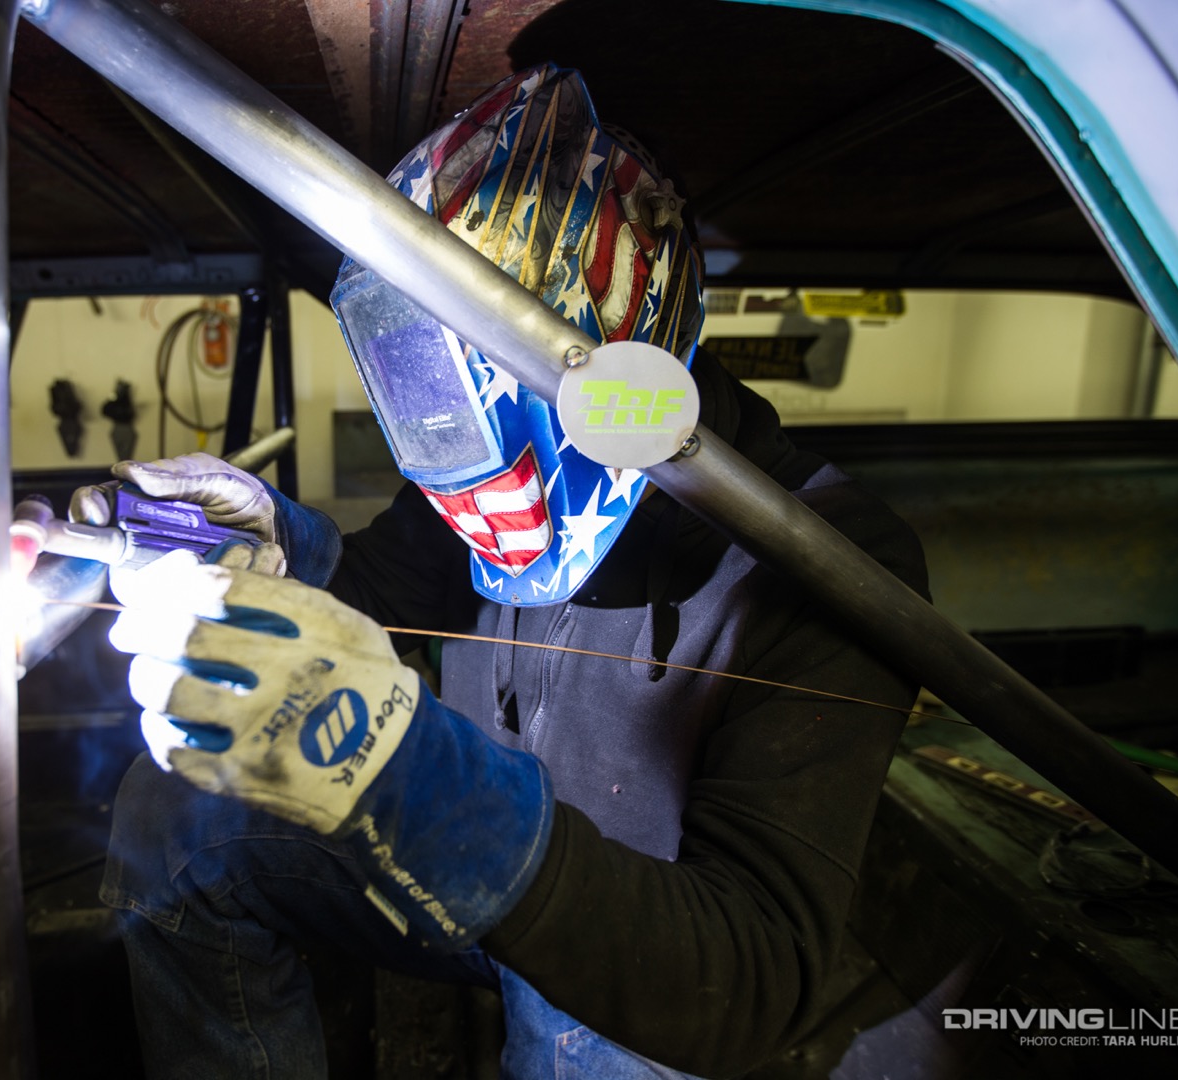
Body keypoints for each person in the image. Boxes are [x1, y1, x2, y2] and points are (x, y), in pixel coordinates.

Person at [76, 63, 927, 1079]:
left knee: (573, 1032)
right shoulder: (482, 467)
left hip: (642, 947)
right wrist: (273, 545)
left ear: (620, 351)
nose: (463, 475)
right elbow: (382, 606)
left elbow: (750, 982)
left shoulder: (834, 563)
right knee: (176, 820)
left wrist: (417, 784)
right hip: (458, 864)